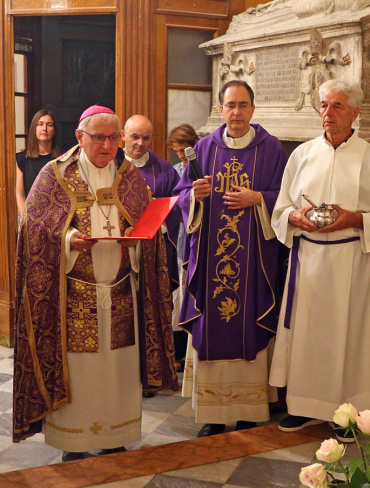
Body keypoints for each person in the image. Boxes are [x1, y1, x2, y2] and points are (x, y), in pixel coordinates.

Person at [13, 106, 178, 459]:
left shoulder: (129, 175)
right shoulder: (54, 174)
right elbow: (34, 226)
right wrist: (68, 238)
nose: (107, 146)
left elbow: (147, 219)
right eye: (98, 137)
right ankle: (75, 441)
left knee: (117, 371)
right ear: (79, 137)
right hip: (72, 293)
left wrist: (139, 238)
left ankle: (115, 434)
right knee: (81, 371)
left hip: (120, 290)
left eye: (112, 138)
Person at [270, 80, 370, 436]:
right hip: (309, 261)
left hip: (350, 263)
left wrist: (355, 219)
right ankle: (302, 405)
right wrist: (295, 217)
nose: (327, 114)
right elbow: (281, 208)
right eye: (324, 106)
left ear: (355, 113)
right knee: (307, 335)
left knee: (347, 337)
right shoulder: (301, 155)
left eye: (337, 107)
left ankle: (347, 411)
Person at [175, 80, 289, 437]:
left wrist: (260, 199)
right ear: (220, 109)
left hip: (253, 264)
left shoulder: (272, 150)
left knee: (250, 321)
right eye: (230, 106)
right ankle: (213, 413)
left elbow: (285, 197)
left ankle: (249, 410)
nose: (236, 113)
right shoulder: (202, 149)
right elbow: (179, 197)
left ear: (253, 110)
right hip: (211, 263)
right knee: (212, 324)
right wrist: (194, 195)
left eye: (243, 105)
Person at [122, 114, 182, 394]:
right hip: (121, 254)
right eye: (135, 136)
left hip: (155, 254)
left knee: (153, 312)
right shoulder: (110, 166)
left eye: (146, 137)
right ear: (123, 135)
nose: (140, 143)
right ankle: (121, 374)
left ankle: (151, 374)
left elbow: (177, 209)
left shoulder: (165, 170)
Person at [167, 123, 200, 371]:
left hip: (195, 233)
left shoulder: (200, 167)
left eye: (183, 149)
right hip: (179, 234)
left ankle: (188, 351)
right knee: (177, 295)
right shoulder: (175, 170)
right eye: (176, 151)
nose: (180, 155)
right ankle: (177, 351)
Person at [15, 108, 59, 214]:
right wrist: (25, 220)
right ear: (34, 128)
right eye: (40, 124)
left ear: (54, 130)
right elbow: (20, 194)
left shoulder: (62, 158)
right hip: (31, 216)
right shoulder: (22, 159)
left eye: (49, 125)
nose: (44, 128)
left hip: (56, 217)